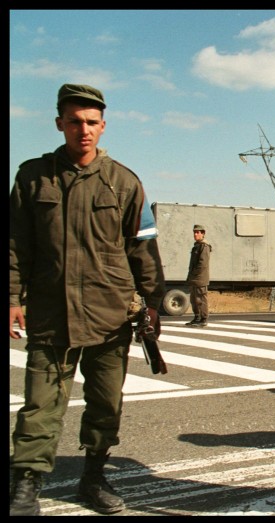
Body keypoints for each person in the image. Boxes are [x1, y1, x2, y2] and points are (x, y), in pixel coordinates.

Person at [9, 84, 165, 516]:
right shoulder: (32, 177)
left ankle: (93, 476)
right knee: (40, 405)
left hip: (109, 313)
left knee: (104, 405)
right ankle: (25, 484)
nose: (84, 130)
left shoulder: (124, 182)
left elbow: (144, 251)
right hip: (50, 313)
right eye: (75, 121)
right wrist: (10, 298)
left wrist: (152, 305)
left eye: (92, 122)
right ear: (59, 123)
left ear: (103, 126)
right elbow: (14, 245)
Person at [186, 224, 212, 327]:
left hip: (200, 278)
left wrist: (195, 274)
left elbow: (203, 264)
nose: (195, 234)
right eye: (194, 232)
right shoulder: (196, 246)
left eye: (198, 232)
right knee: (193, 299)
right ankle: (197, 317)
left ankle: (203, 318)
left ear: (203, 234)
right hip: (194, 278)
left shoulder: (204, 246)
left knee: (201, 299)